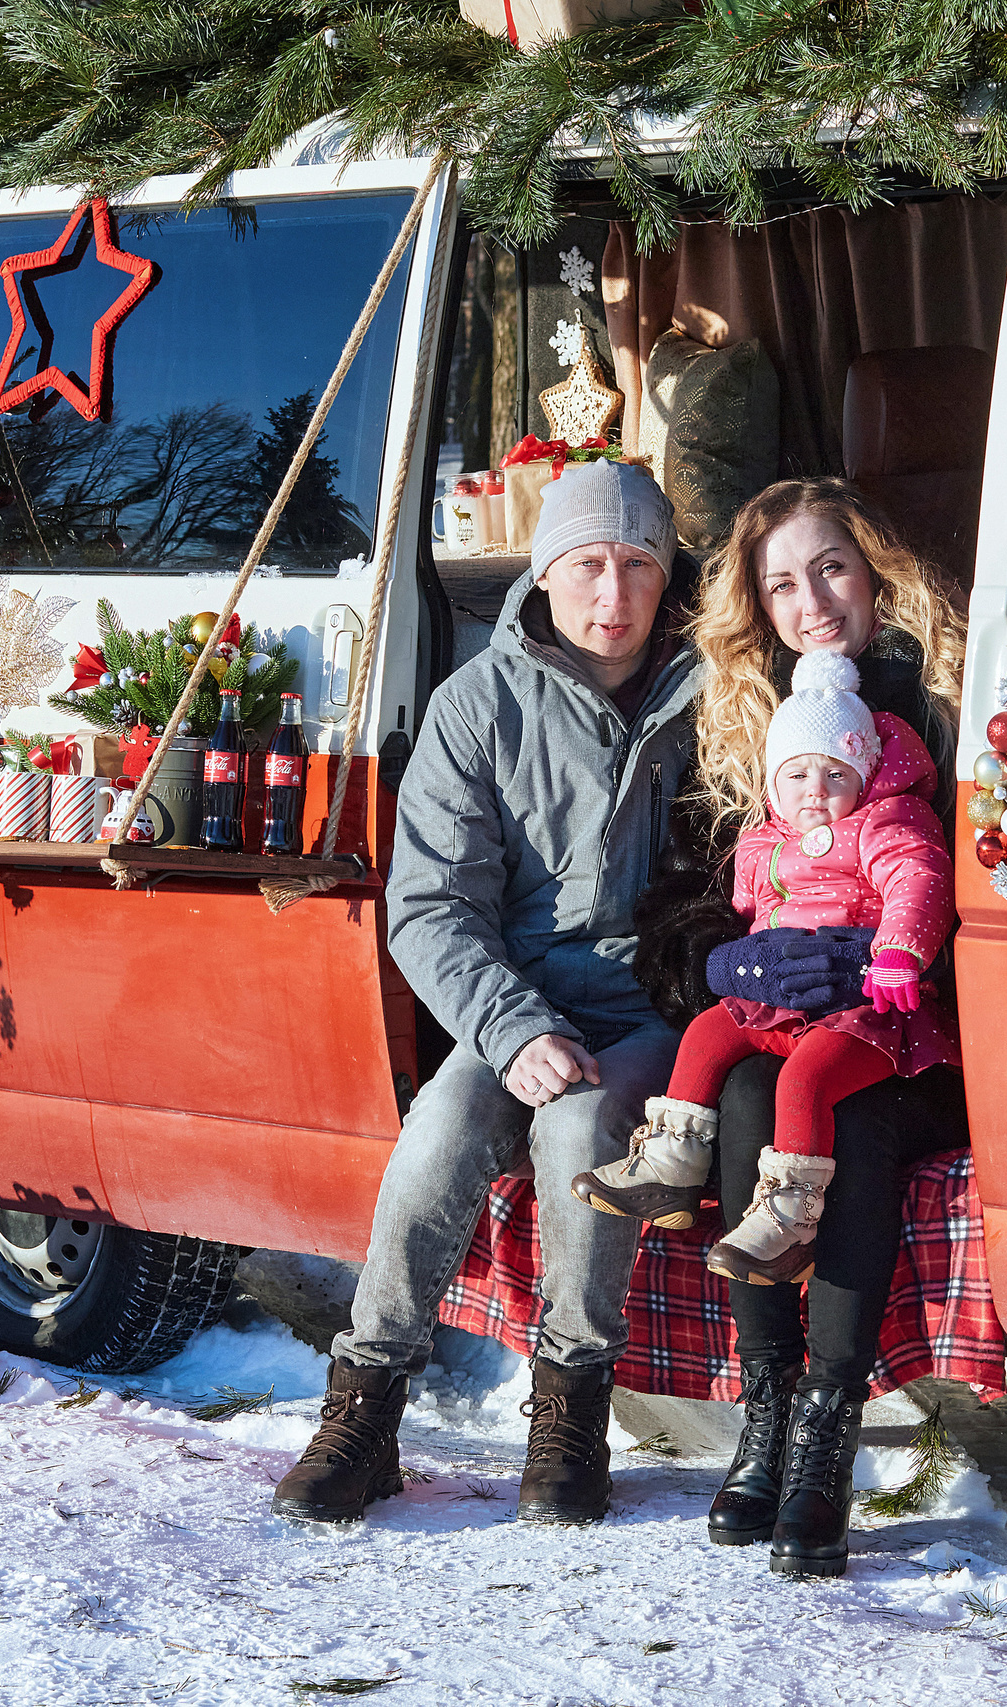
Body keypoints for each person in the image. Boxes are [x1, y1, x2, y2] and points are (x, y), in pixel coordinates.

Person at [271, 459, 697, 1529]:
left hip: (652, 1005)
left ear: (667, 574)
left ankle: (570, 1414)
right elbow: (428, 905)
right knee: (440, 1128)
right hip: (514, 998)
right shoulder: (480, 704)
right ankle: (363, 1412)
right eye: (589, 563)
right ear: (546, 573)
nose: (614, 593)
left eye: (638, 564)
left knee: (583, 1129)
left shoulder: (717, 692)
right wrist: (510, 1028)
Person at [629, 478, 969, 1579]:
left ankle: (826, 1431)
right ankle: (766, 1410)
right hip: (781, 1016)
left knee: (849, 1123)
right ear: (756, 606)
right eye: (780, 583)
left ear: (874, 568)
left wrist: (894, 968)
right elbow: (684, 896)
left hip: (917, 1029)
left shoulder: (948, 695)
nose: (810, 601)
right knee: (736, 1097)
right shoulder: (740, 718)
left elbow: (970, 878)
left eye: (828, 567)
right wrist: (716, 955)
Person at [570, 649, 958, 1287]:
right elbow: (746, 910)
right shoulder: (761, 842)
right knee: (707, 1035)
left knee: (803, 1081)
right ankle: (672, 1165)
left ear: (862, 779)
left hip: (863, 1007)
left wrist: (897, 953)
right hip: (785, 997)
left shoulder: (882, 825)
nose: (816, 792)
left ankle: (790, 1218)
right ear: (774, 785)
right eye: (798, 775)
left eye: (835, 775)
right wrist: (740, 959)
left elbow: (918, 879)